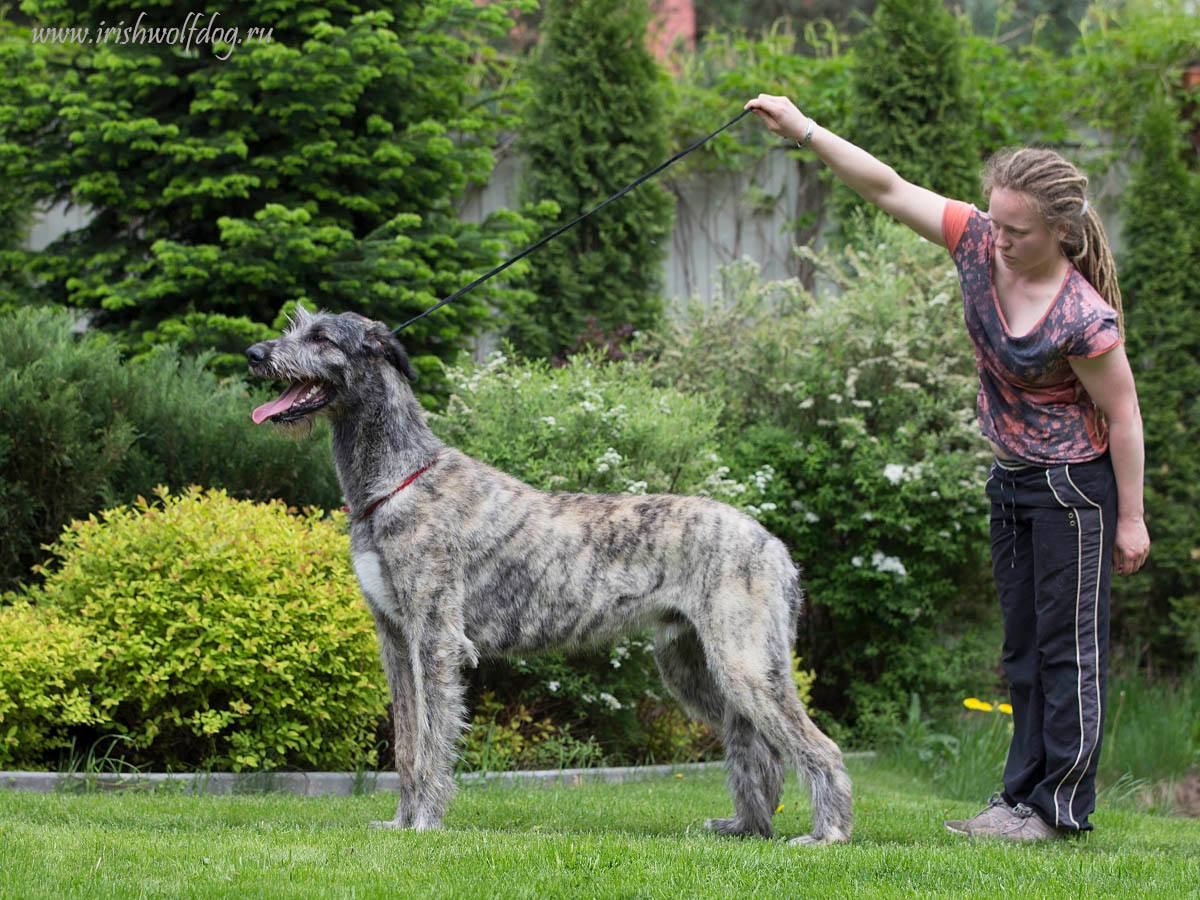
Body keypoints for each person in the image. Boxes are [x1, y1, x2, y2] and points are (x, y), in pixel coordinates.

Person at [744, 94, 1151, 842]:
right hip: (1014, 482)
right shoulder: (976, 242)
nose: (998, 237)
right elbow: (888, 186)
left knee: (1069, 653)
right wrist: (801, 127)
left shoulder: (1083, 317)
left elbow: (1123, 418)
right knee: (1023, 651)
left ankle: (1060, 813)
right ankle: (1017, 799)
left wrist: (1132, 519)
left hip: (1074, 494)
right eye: (994, 220)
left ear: (1060, 232)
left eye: (1017, 230)